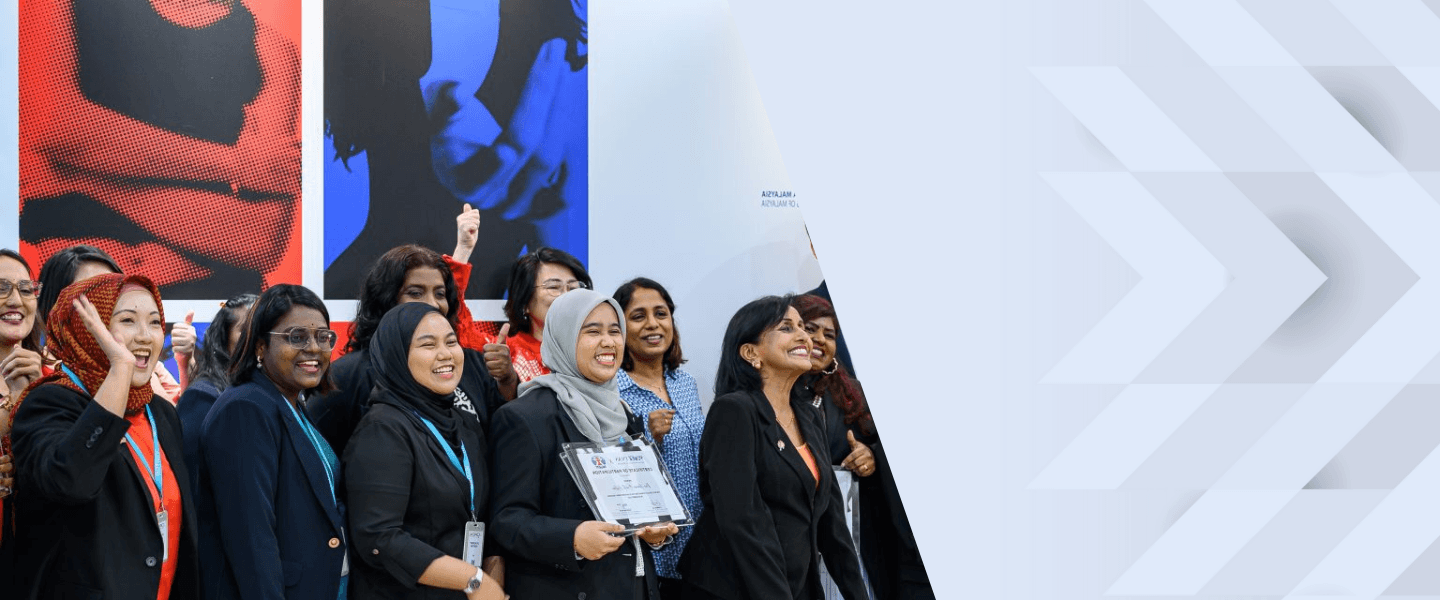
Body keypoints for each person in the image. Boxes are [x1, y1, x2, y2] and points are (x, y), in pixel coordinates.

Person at [7, 273, 200, 599]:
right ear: (86, 331)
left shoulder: (161, 412)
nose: (145, 336)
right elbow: (70, 480)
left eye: (155, 322)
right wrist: (120, 369)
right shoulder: (49, 402)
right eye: (127, 320)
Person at [489, 289, 677, 599]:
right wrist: (572, 539)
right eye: (592, 331)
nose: (609, 342)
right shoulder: (526, 417)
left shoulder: (624, 414)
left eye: (614, 331)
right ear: (563, 337)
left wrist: (652, 530)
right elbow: (506, 521)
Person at [679, 295, 866, 600]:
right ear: (751, 352)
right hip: (734, 588)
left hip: (794, 584)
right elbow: (742, 523)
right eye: (787, 328)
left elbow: (833, 524)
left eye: (802, 327)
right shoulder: (734, 411)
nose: (804, 336)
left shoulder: (808, 416)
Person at [343, 303, 506, 600]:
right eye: (428, 345)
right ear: (397, 356)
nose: (446, 354)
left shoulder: (464, 423)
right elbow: (379, 537)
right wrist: (473, 580)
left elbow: (485, 516)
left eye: (451, 342)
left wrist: (491, 579)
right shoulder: (382, 429)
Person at [199, 284, 348, 600]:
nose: (313, 348)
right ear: (260, 346)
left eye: (323, 337)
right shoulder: (245, 408)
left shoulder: (289, 401)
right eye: (296, 337)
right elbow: (252, 537)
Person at [307, 245, 511, 456]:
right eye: (415, 293)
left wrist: (507, 381)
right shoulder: (347, 376)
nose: (432, 304)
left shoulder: (470, 363)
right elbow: (315, 455)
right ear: (386, 298)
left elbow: (504, 440)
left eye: (440, 294)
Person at [793, 294, 934, 599]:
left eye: (829, 334)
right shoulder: (772, 396)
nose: (819, 340)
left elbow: (879, 447)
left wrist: (870, 457)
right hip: (798, 537)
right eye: (810, 329)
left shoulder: (851, 394)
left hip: (857, 535)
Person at [612, 277, 703, 599]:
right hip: (651, 549)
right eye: (638, 316)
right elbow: (608, 468)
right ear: (620, 329)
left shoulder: (685, 382)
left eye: (661, 314)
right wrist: (647, 438)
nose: (653, 324)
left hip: (702, 547)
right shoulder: (613, 390)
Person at [36, 244, 192, 401]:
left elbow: (185, 414)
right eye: (93, 293)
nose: (106, 300)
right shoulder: (36, 372)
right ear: (55, 307)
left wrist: (185, 365)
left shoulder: (145, 365)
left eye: (113, 289)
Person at [176, 293, 257, 494]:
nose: (258, 338)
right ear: (224, 338)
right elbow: (191, 484)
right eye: (246, 330)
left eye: (265, 329)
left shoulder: (278, 393)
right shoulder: (203, 398)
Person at [492, 247, 592, 384]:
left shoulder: (593, 348)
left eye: (573, 288)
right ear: (525, 302)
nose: (566, 296)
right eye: (553, 287)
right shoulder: (506, 355)